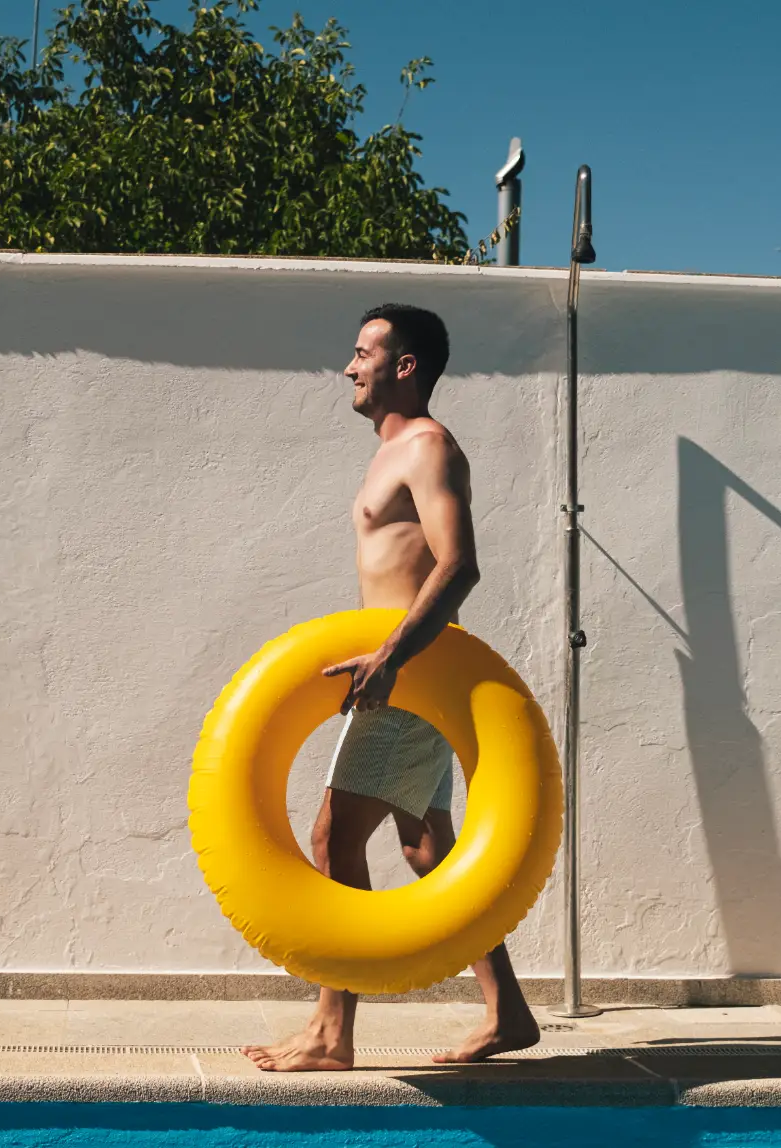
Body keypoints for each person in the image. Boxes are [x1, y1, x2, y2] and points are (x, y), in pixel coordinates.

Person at [243, 303, 541, 1073]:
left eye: (363, 352)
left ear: (404, 365)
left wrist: (392, 658)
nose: (349, 366)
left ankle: (332, 1032)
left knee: (332, 837)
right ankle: (507, 1010)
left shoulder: (429, 448)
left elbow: (458, 564)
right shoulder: (391, 452)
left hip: (408, 676)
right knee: (426, 845)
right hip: (401, 677)